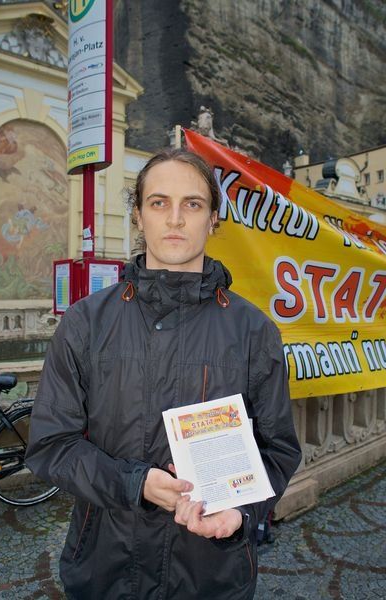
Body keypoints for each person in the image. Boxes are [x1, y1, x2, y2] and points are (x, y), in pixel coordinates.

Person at [26, 148, 301, 600]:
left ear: (213, 218)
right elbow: (51, 445)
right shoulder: (85, 323)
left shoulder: (254, 331)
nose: (175, 218)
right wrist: (134, 483)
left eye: (192, 203)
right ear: (138, 215)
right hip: (104, 570)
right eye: (159, 203)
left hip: (211, 576)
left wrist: (242, 513)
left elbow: (278, 451)